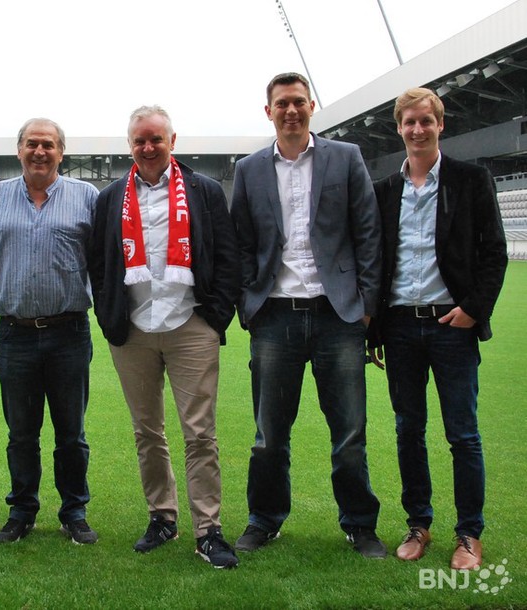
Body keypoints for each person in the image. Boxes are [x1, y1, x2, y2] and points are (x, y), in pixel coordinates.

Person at [230, 72, 386, 558]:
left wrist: (365, 310)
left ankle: (359, 524)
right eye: (282, 104)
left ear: (312, 106)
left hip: (337, 315)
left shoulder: (346, 157)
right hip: (274, 316)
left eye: (298, 101)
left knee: (349, 433)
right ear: (269, 111)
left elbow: (368, 233)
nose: (291, 110)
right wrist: (249, 305)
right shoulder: (249, 169)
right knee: (268, 436)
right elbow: (241, 242)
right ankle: (264, 520)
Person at [89, 105, 241, 568]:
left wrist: (214, 319)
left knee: (200, 433)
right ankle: (162, 517)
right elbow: (99, 263)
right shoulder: (111, 197)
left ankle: (208, 530)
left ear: (173, 141)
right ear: (129, 145)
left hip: (190, 324)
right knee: (147, 432)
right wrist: (110, 319)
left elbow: (228, 256)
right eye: (140, 140)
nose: (148, 147)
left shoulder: (204, 190)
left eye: (156, 138)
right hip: (133, 329)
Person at [369, 88, 507, 569]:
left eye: (426, 120)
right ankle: (418, 524)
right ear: (399, 128)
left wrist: (473, 309)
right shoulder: (386, 190)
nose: (417, 129)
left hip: (452, 325)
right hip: (400, 327)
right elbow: (375, 261)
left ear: (440, 124)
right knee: (409, 430)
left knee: (462, 434)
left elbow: (494, 252)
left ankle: (469, 533)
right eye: (409, 122)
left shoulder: (470, 180)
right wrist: (374, 329)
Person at [0, 118, 98, 545]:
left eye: (48, 144)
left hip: (69, 333)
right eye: (32, 144)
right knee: (21, 434)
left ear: (61, 152)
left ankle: (74, 512)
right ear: (19, 149)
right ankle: (22, 511)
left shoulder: (86, 198)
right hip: (16, 335)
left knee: (71, 434)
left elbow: (99, 260)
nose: (39, 152)